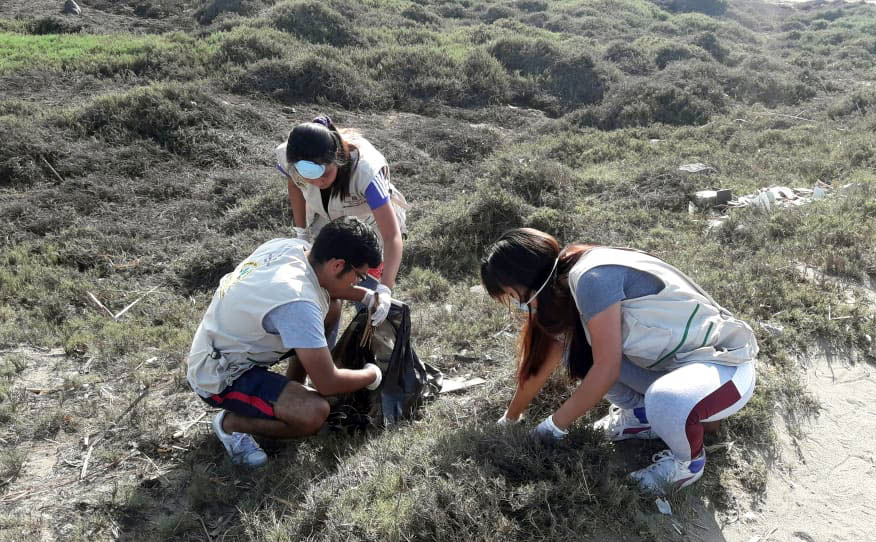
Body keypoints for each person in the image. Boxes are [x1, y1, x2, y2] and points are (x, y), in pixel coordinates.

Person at [480, 228, 758, 494]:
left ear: (530, 281)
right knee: (578, 349)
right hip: (681, 369)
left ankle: (688, 463)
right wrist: (510, 418)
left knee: (665, 400)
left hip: (727, 369)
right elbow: (542, 362)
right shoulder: (568, 279)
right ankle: (644, 417)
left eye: (515, 298)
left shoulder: (591, 279)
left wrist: (553, 427)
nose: (521, 308)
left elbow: (607, 368)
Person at [186, 218, 388, 467]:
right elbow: (328, 383)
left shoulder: (291, 248)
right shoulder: (297, 303)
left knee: (331, 305)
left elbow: (331, 289)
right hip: (219, 376)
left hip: (222, 343)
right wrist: (372, 374)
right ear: (337, 265)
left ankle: (294, 386)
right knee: (314, 413)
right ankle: (231, 424)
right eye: (358, 277)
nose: (357, 283)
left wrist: (367, 297)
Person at [275, 115, 409, 327]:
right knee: (323, 290)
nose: (318, 182)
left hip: (372, 227)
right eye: (308, 177)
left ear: (338, 157)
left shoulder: (366, 172)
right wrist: (300, 232)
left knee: (370, 300)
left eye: (324, 173)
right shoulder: (289, 156)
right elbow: (294, 186)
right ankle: (323, 350)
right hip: (327, 223)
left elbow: (391, 235)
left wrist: (385, 288)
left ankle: (376, 348)